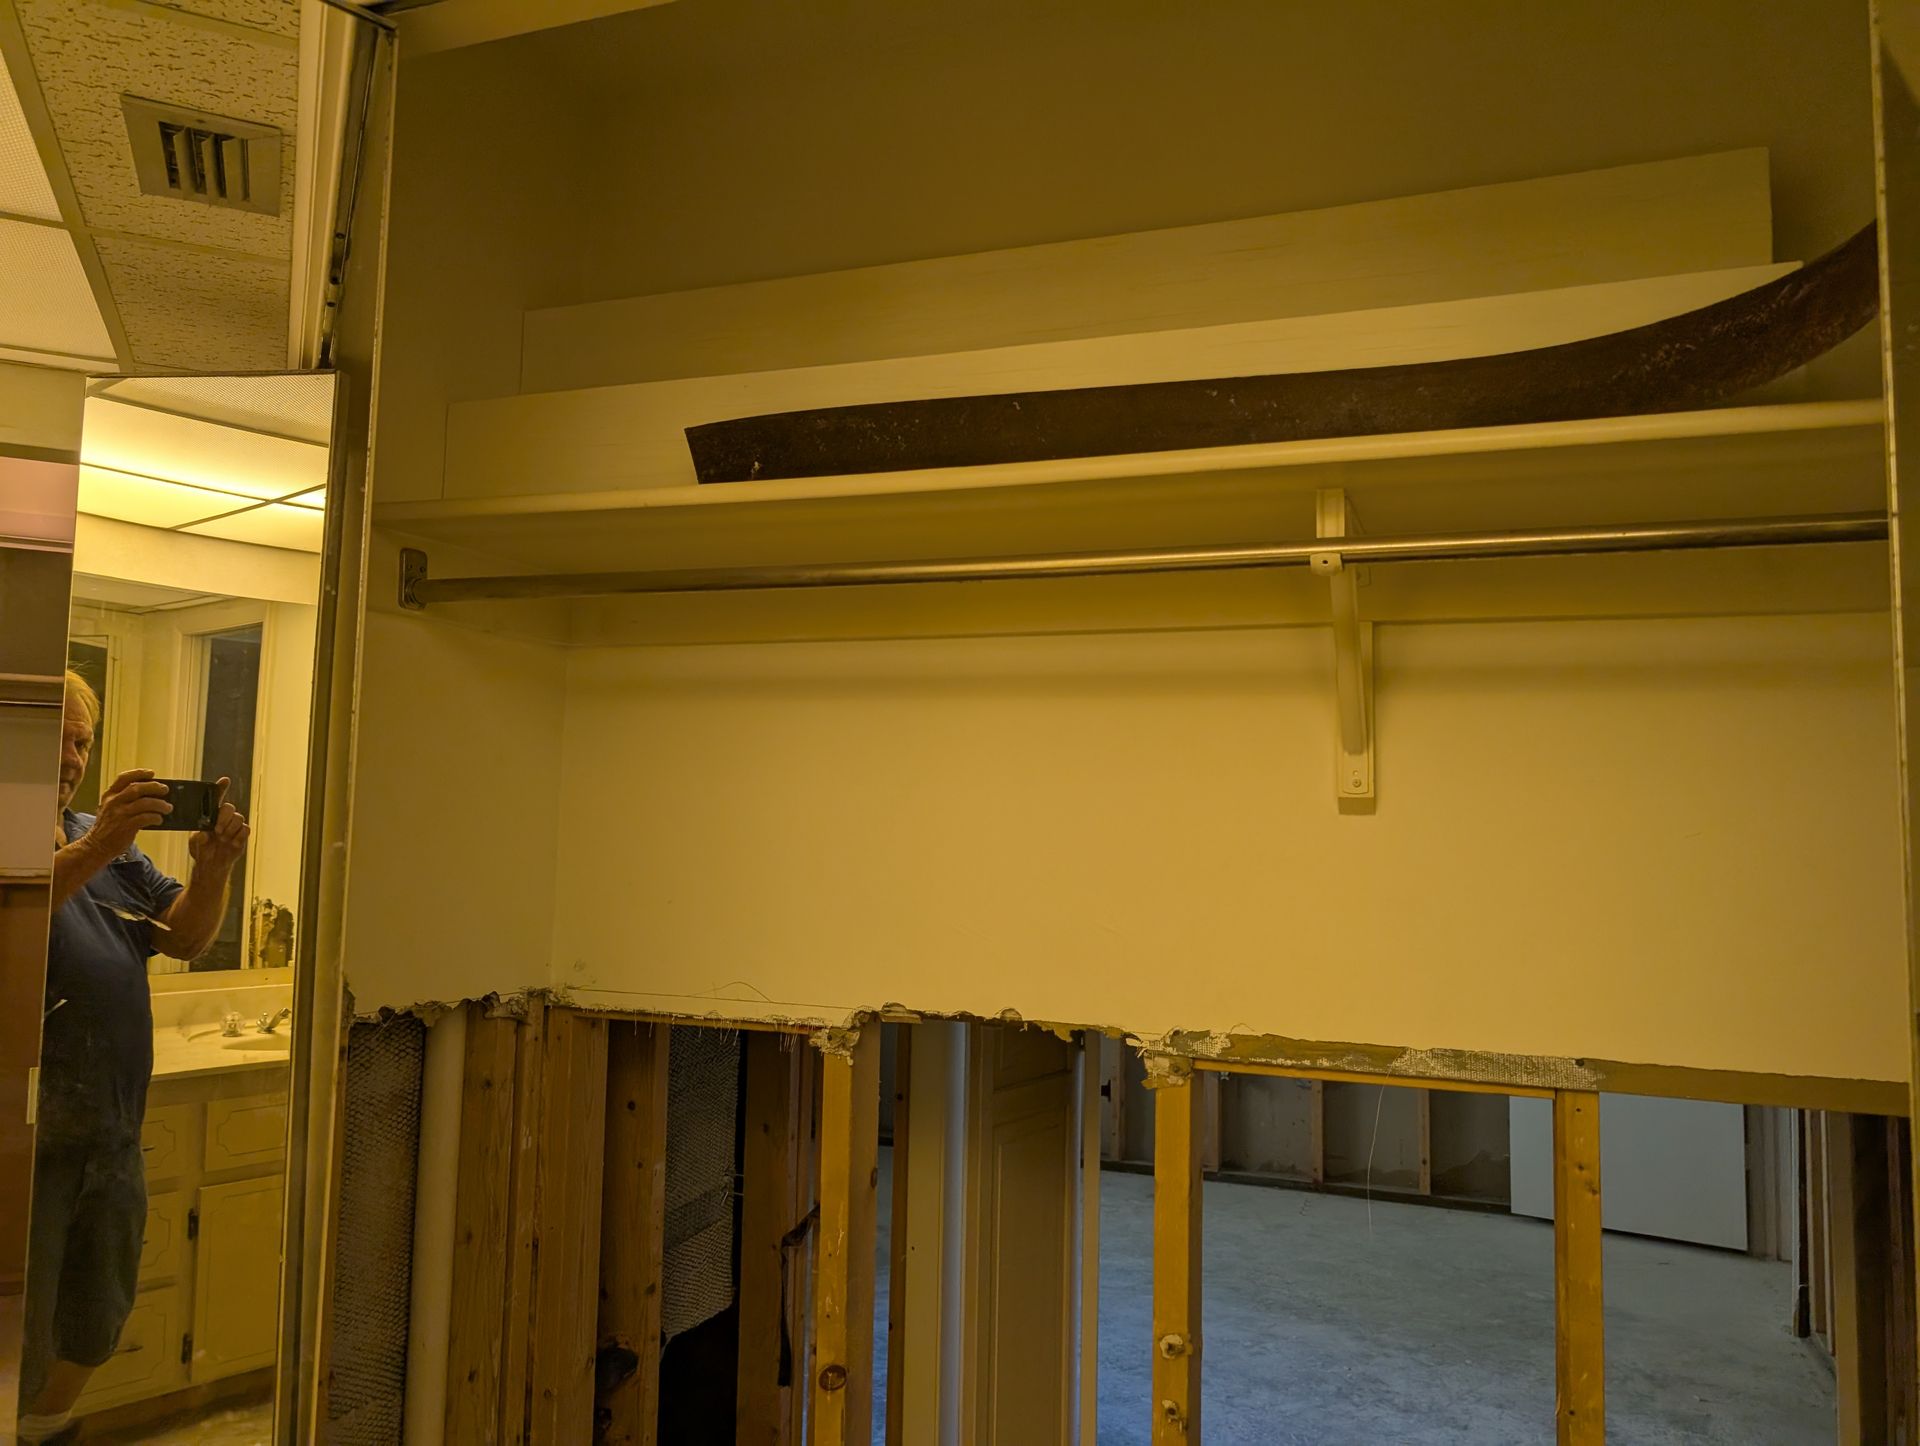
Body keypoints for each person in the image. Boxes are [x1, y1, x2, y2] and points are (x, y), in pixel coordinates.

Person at [17, 672, 250, 1445]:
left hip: (110, 1132)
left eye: (81, 742)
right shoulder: (62, 844)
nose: (71, 758)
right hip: (24, 1144)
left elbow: (185, 938)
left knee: (97, 1312)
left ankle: (45, 1430)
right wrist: (95, 847)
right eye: (55, 739)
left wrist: (213, 867)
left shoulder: (106, 846)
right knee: (19, 1320)